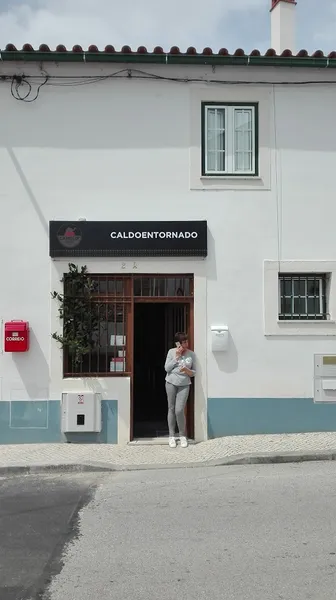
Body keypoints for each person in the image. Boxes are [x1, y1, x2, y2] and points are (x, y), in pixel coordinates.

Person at [164, 332, 196, 448]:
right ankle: (171, 435)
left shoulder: (191, 354)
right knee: (171, 408)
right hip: (171, 382)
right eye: (183, 343)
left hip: (184, 384)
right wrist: (176, 357)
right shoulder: (171, 352)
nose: (185, 345)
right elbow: (166, 368)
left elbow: (194, 372)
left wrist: (187, 371)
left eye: (186, 342)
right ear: (178, 343)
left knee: (179, 410)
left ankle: (182, 435)